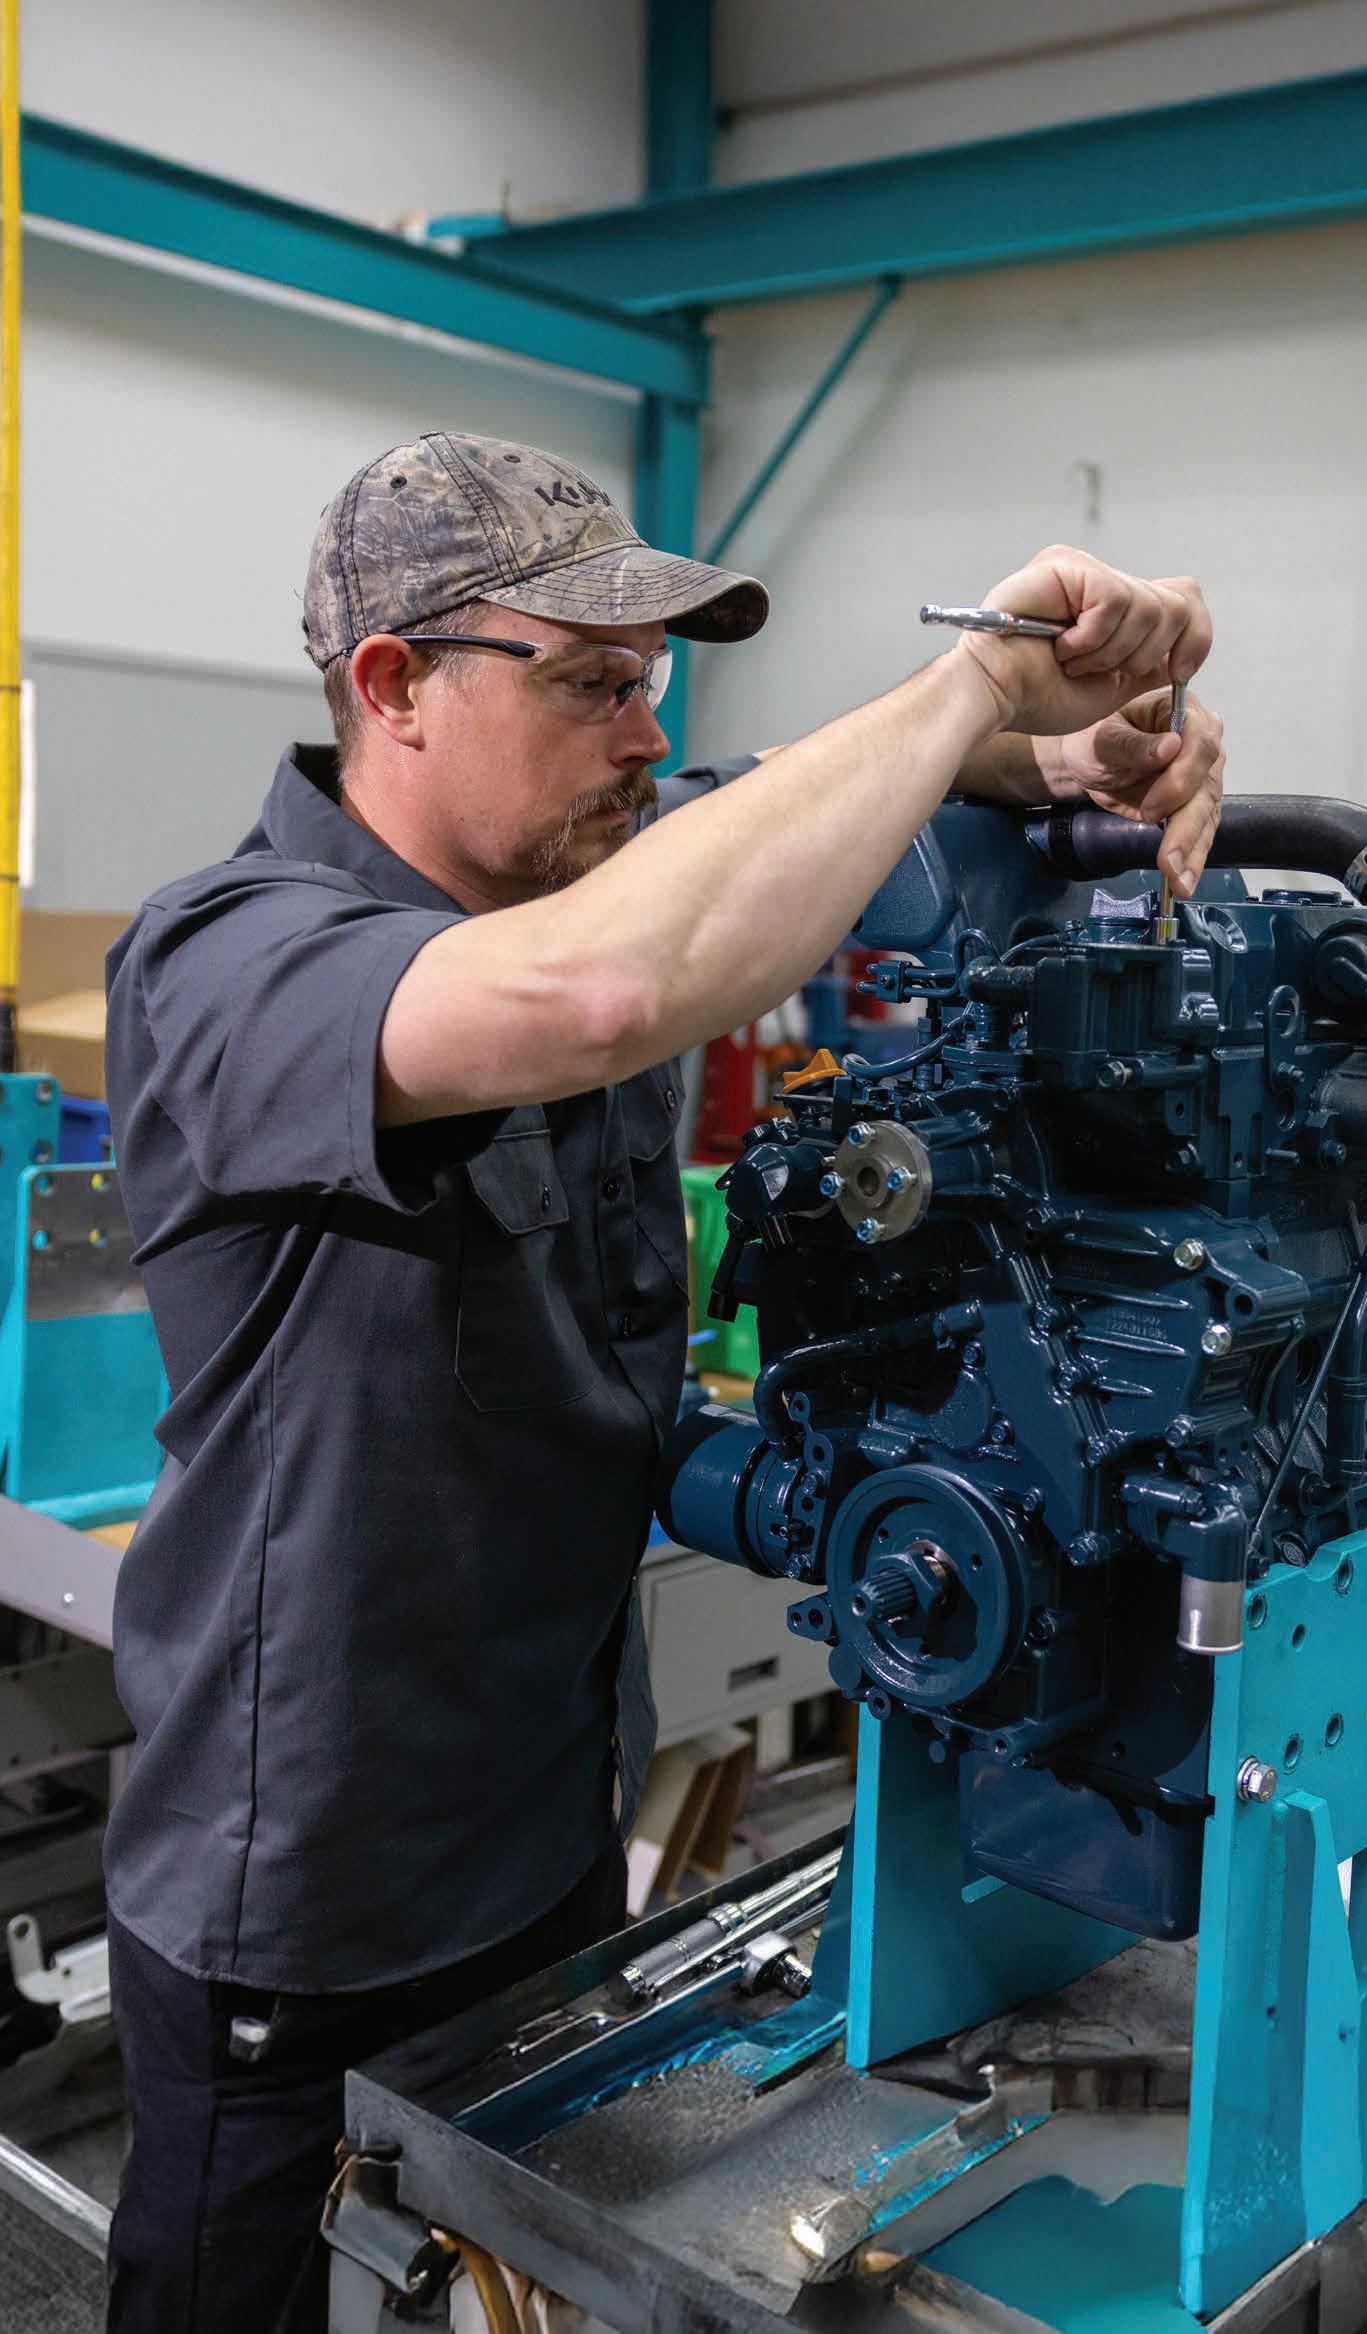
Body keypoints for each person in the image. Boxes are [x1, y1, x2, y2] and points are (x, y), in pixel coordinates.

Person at [95, 431, 1224, 2333]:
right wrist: (971, 682)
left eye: (657, 684)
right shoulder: (234, 958)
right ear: (394, 684)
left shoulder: (591, 847)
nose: (647, 734)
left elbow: (783, 808)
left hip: (549, 1825)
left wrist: (1085, 747)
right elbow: (603, 988)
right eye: (595, 683)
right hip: (312, 1884)